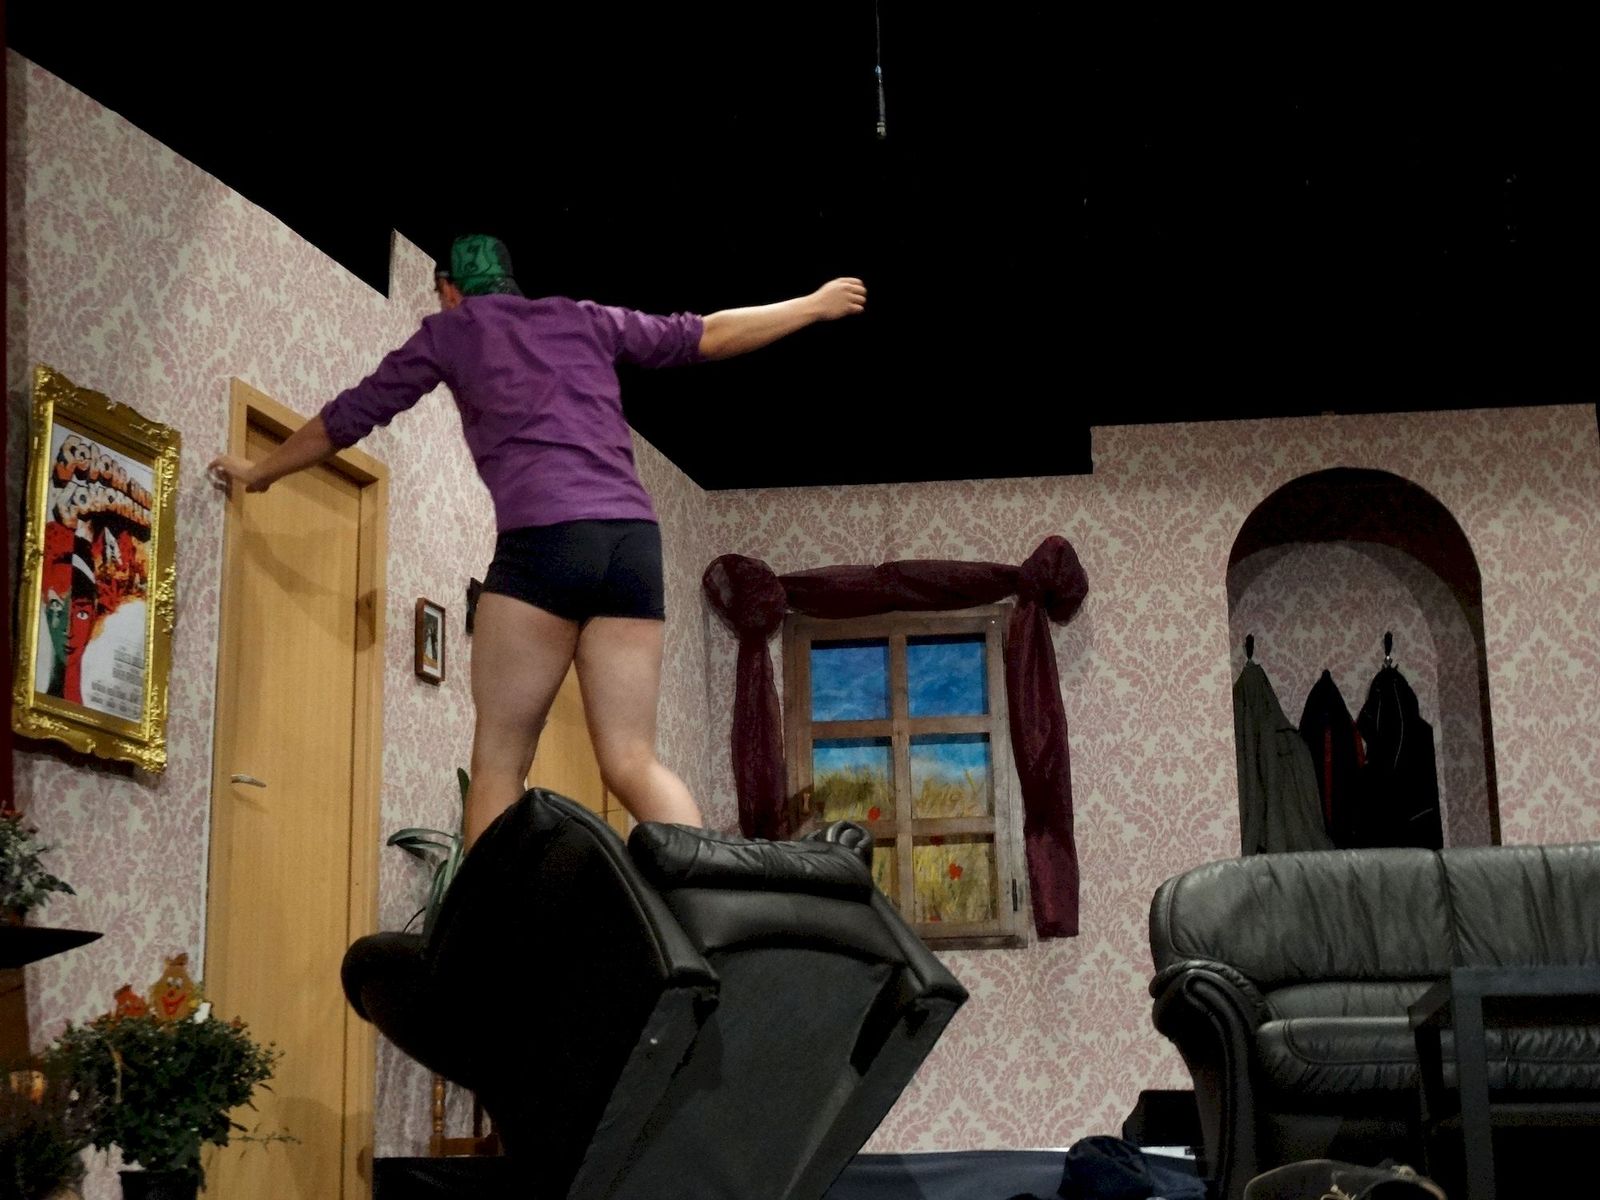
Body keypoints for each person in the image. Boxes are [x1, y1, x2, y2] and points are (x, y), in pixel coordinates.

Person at [209, 234, 866, 846]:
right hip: (632, 546)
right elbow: (705, 334)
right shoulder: (582, 318)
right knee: (633, 760)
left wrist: (261, 472)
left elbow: (349, 416)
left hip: (546, 538)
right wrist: (812, 304)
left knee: (499, 764)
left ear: (449, 289)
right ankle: (712, 906)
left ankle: (489, 932)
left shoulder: (450, 330)